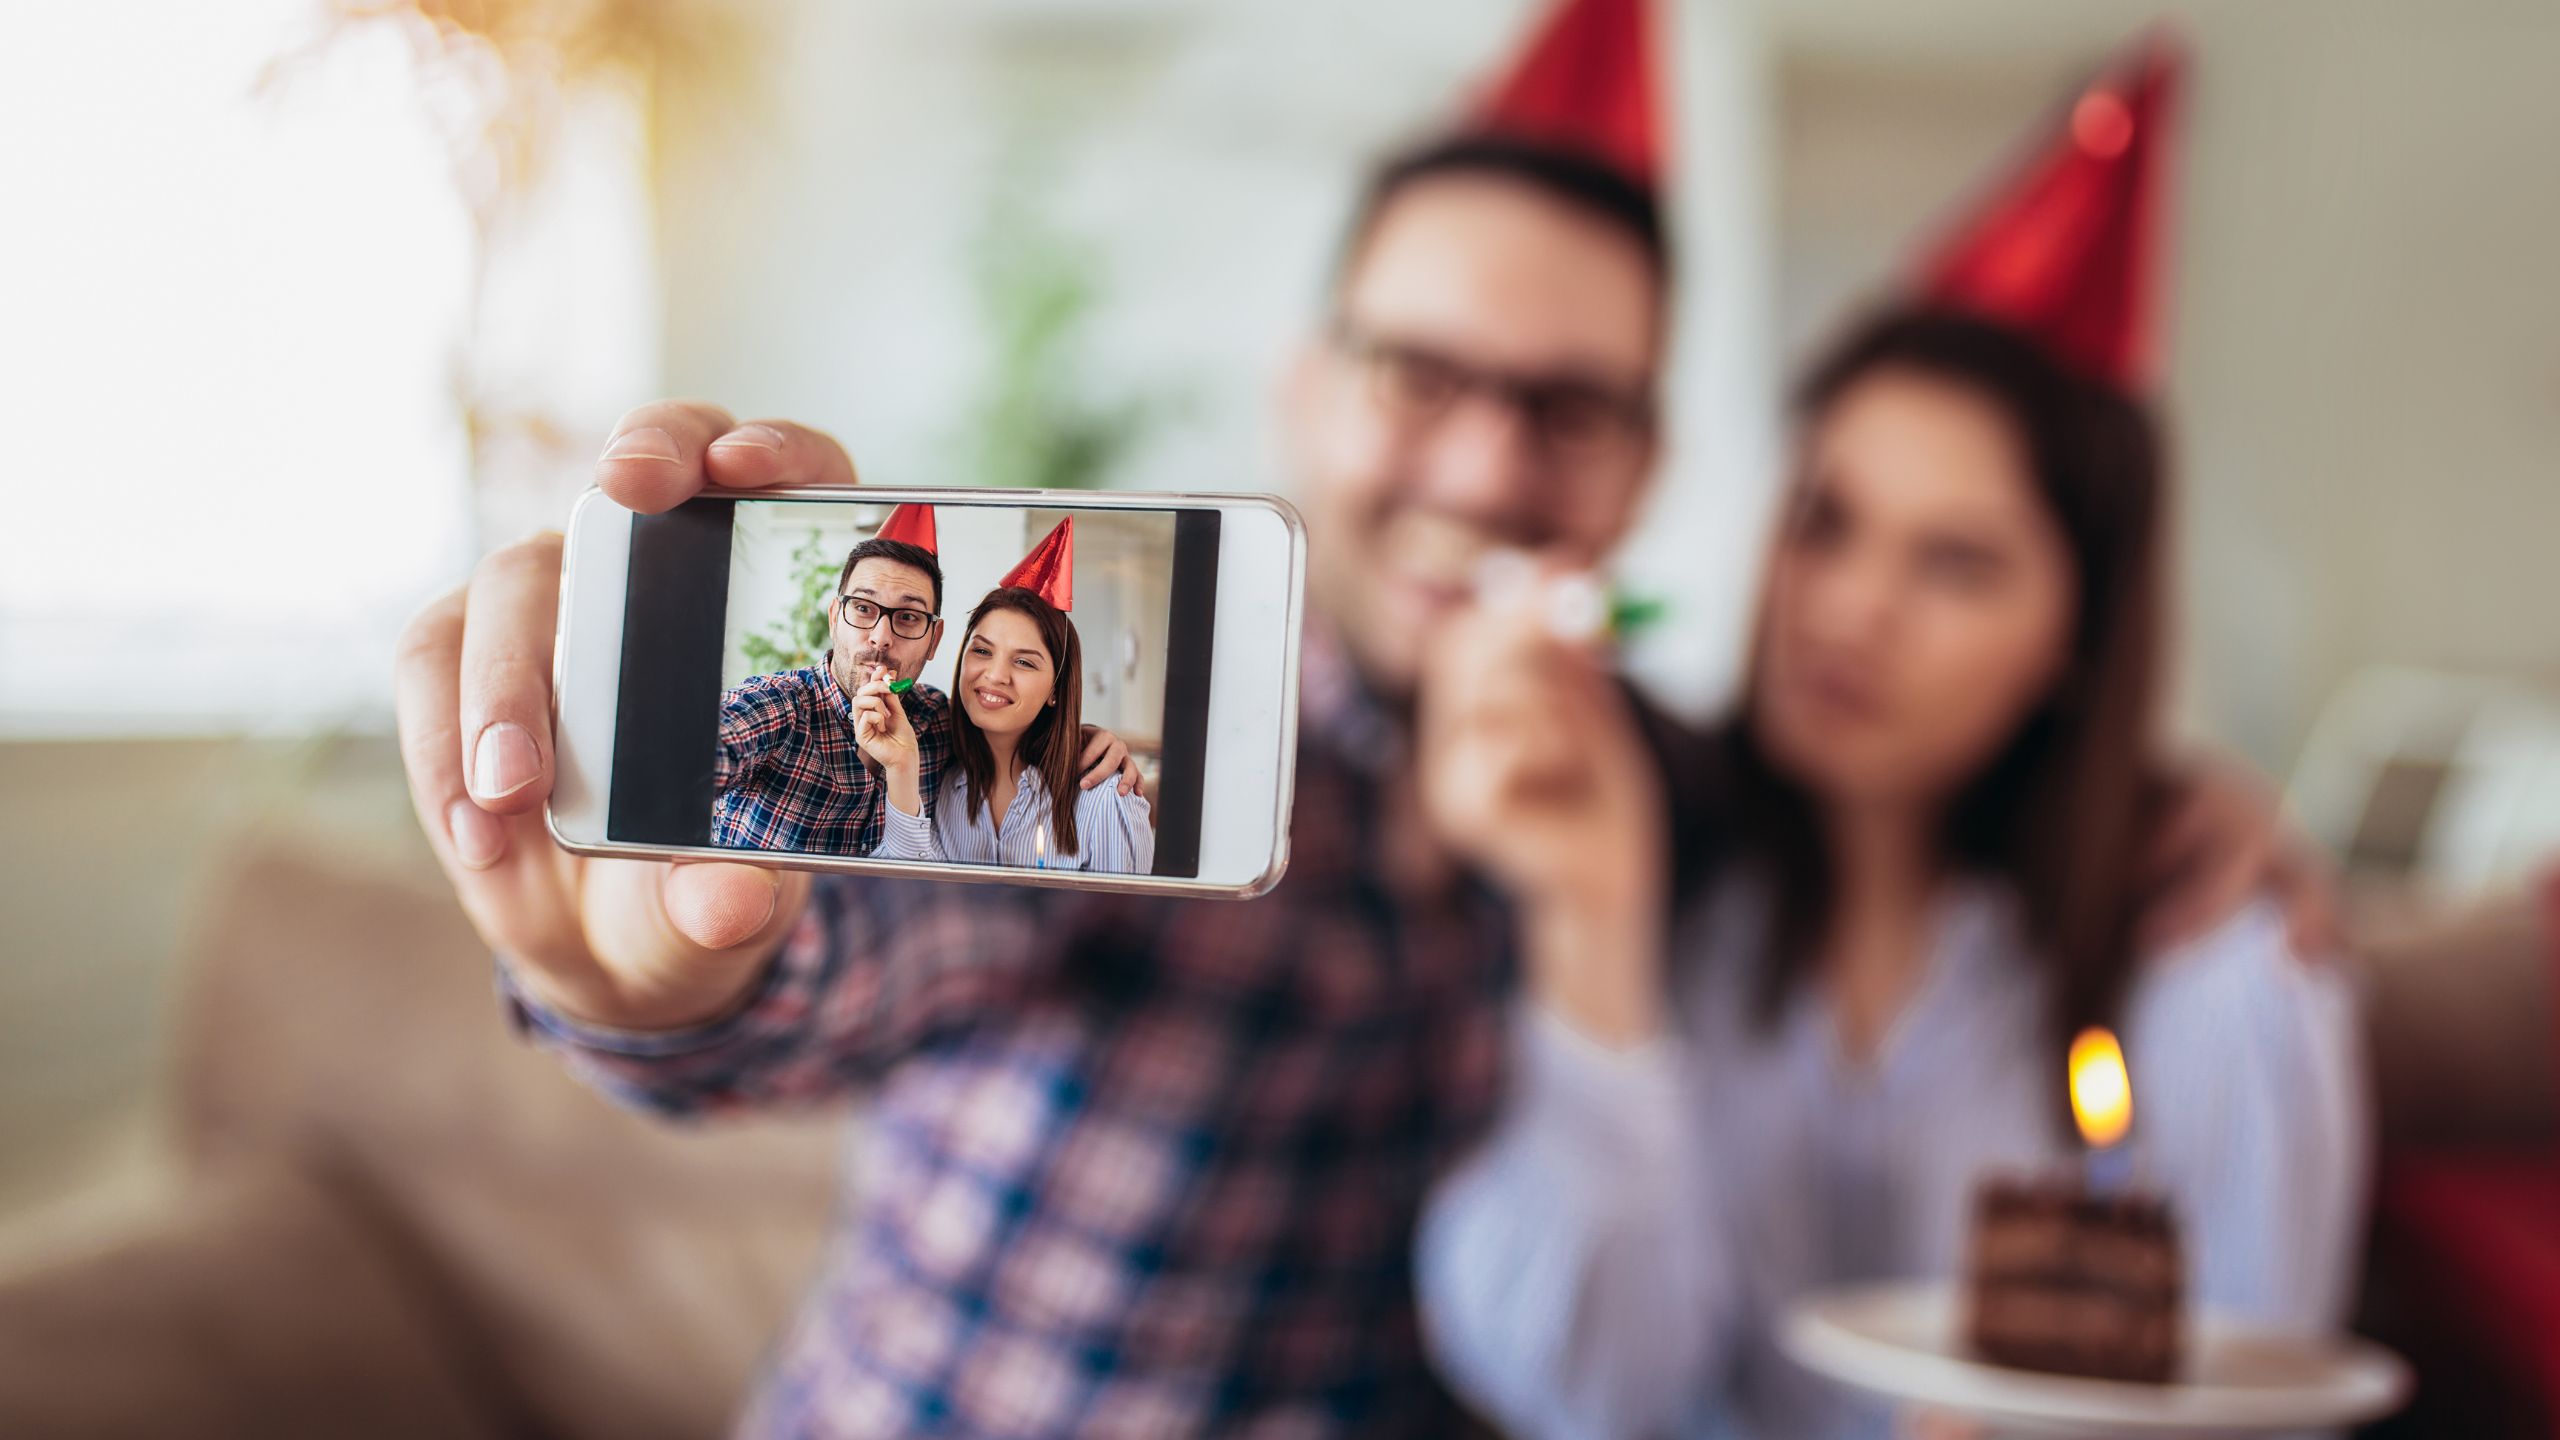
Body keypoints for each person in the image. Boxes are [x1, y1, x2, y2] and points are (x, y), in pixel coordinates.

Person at [395, 132, 2316, 1436]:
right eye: (1420, 377)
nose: (1484, 473)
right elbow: (875, 951)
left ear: (1644, 469)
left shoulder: (1687, 813)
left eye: (1568, 410)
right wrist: (654, 980)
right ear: (1307, 392)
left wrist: (2180, 804)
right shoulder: (1118, 722)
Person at [1411, 308, 2368, 1440]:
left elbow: (2255, 1398)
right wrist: (1594, 930)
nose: (1850, 608)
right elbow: (1591, 1393)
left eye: (1956, 565)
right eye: (1824, 525)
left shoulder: (2216, 964)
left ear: (2076, 634)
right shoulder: (1679, 893)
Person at [711, 534, 1145, 856]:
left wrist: (1084, 737)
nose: (880, 638)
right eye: (863, 609)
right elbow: (691, 760)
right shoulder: (777, 707)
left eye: (907, 617)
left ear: (935, 640)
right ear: (833, 618)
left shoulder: (936, 722)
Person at [858, 586, 1156, 874]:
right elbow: (910, 897)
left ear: (1056, 688)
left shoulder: (1108, 800)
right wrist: (898, 767)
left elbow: (1129, 924)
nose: (996, 675)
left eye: (1024, 662)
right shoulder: (945, 789)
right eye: (983, 651)